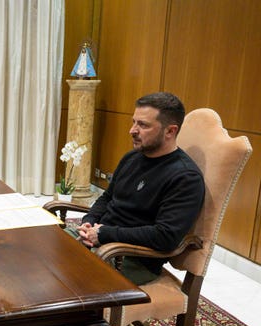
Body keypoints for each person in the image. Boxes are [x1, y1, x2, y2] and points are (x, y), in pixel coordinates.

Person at [76, 92, 205, 285]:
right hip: (102, 243)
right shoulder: (132, 157)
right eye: (134, 122)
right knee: (43, 253)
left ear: (170, 131)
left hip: (131, 259)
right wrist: (89, 221)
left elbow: (165, 236)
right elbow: (108, 198)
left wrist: (105, 234)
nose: (132, 130)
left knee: (63, 278)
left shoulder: (185, 178)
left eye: (143, 125)